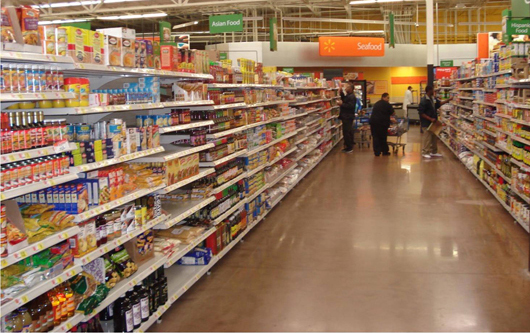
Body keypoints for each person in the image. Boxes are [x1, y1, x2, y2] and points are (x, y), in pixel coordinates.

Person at [418, 85, 451, 159]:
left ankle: (434, 152)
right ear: (429, 90)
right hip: (426, 122)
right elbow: (421, 113)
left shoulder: (433, 99)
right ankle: (425, 152)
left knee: (433, 137)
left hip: (433, 122)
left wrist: (448, 100)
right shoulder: (424, 100)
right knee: (427, 137)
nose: (434, 91)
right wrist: (430, 119)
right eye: (433, 90)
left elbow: (439, 104)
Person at [337, 82, 357, 153]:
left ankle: (349, 147)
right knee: (349, 131)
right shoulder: (349, 95)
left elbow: (350, 106)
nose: (345, 88)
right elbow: (345, 99)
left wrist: (342, 104)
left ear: (351, 88)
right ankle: (349, 144)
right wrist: (341, 93)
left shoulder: (352, 97)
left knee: (346, 132)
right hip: (347, 116)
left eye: (347, 87)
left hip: (347, 116)